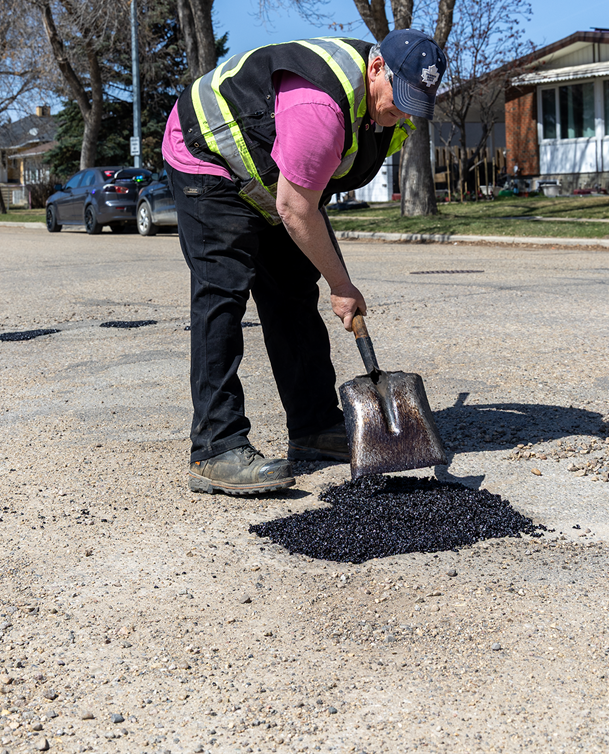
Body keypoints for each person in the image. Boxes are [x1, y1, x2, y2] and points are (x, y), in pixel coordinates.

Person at [162, 29, 447, 496]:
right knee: (223, 292)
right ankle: (215, 446)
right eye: (399, 100)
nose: (401, 114)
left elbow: (309, 191)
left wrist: (328, 272)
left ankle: (313, 428)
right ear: (376, 68)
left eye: (415, 105)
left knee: (293, 289)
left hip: (269, 172)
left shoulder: (384, 111)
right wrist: (343, 284)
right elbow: (296, 208)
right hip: (207, 156)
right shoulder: (320, 104)